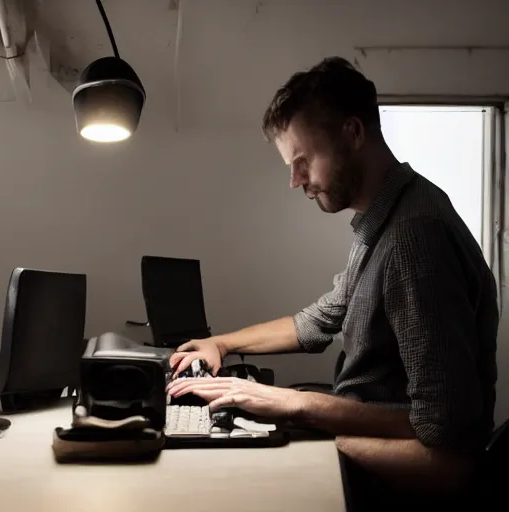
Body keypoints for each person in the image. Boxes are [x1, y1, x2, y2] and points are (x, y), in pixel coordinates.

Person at [166, 56, 498, 505]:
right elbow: (320, 319)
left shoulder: (413, 239)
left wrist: (298, 407)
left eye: (303, 161)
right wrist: (221, 345)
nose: (294, 180)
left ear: (353, 133)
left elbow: (445, 436)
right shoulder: (387, 217)